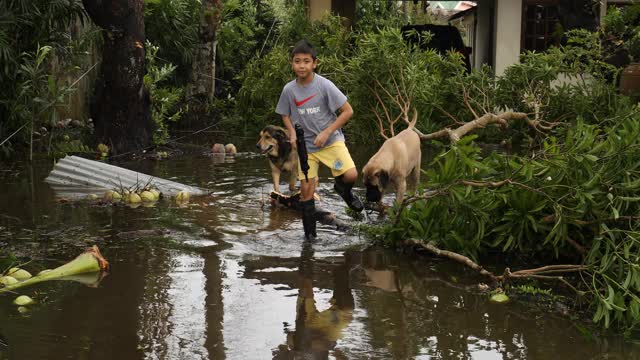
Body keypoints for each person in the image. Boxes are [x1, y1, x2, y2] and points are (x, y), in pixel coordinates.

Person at [275, 40, 363, 239]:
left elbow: (347, 111)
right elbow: (285, 114)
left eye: (306, 61)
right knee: (306, 191)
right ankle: (310, 239)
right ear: (292, 64)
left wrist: (326, 132)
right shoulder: (289, 90)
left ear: (315, 63)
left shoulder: (324, 85)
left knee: (351, 175)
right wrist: (291, 133)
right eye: (297, 61)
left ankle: (343, 191)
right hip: (306, 148)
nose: (302, 65)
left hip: (331, 141)